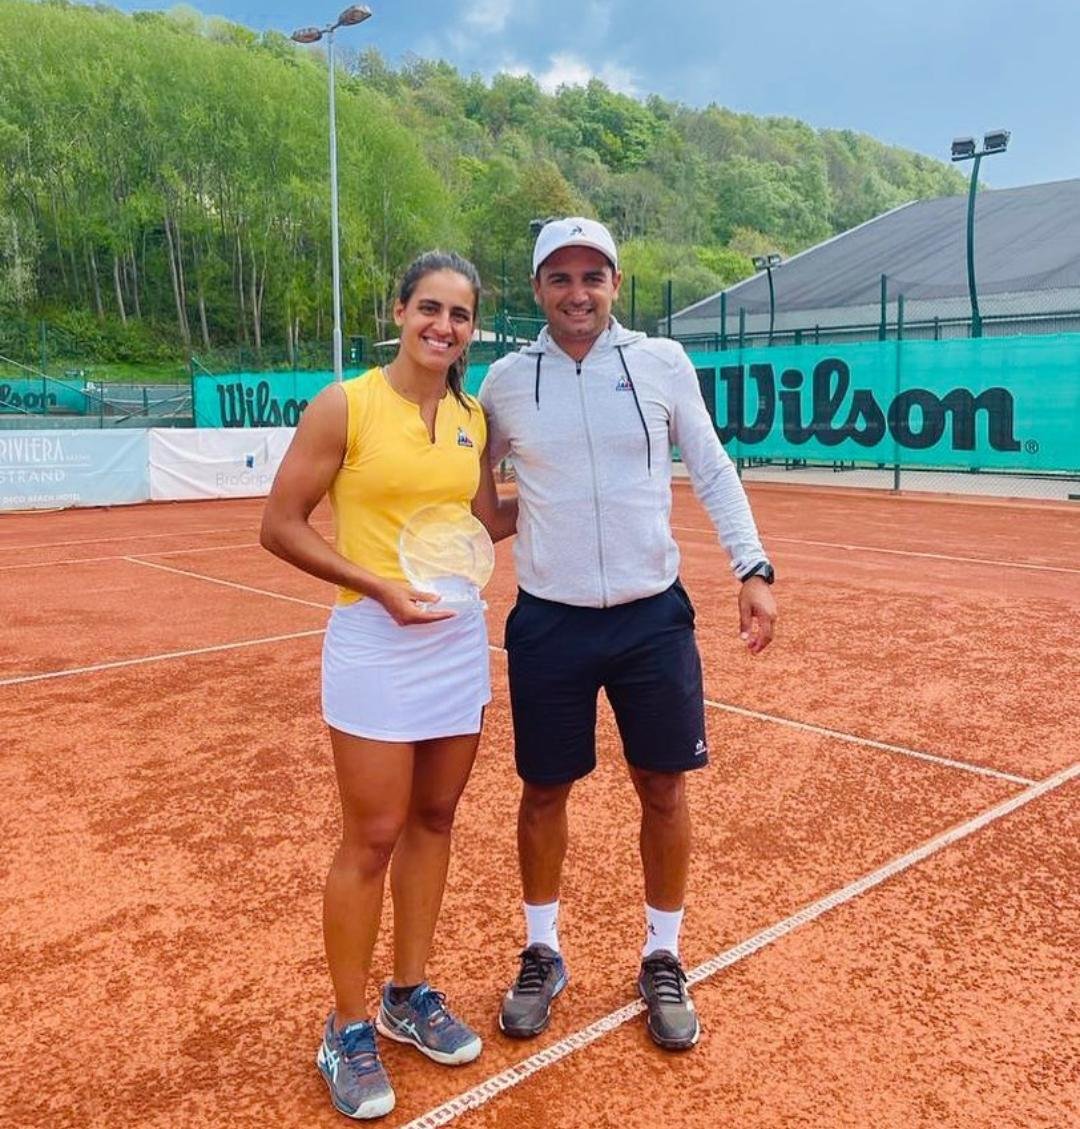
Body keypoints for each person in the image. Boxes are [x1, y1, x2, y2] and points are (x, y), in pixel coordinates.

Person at [478, 217, 778, 1051]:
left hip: (652, 618)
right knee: (543, 791)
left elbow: (712, 465)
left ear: (616, 283)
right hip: (548, 620)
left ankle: (663, 955)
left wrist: (752, 568)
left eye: (593, 277)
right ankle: (542, 949)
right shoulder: (504, 381)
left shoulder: (661, 363)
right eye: (561, 278)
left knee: (664, 788)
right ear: (537, 288)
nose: (578, 293)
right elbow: (474, 487)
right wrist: (511, 520)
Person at [261, 251, 515, 1120]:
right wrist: (375, 585)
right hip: (373, 635)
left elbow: (485, 523)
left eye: (460, 315)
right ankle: (346, 1024)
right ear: (400, 310)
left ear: (472, 327)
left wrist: (589, 490)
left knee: (436, 817)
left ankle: (408, 994)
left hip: (455, 637)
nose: (443, 327)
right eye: (429, 309)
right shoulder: (347, 404)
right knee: (372, 833)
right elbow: (279, 524)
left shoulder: (472, 414)